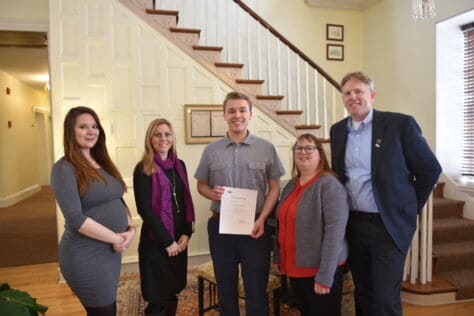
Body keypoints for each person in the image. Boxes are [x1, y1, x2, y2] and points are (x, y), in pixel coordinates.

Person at [330, 71, 442, 316]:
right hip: (354, 225)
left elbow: (430, 169)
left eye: (359, 91)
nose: (353, 97)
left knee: (385, 299)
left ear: (372, 94)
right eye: (347, 93)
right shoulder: (337, 131)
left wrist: (409, 206)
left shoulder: (399, 125)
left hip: (387, 226)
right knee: (364, 294)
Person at [194, 91, 285, 316]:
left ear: (251, 114)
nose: (237, 115)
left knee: (256, 288)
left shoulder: (266, 148)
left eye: (242, 110)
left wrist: (263, 219)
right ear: (224, 115)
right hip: (221, 227)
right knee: (226, 287)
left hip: (255, 226)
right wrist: (212, 194)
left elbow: (274, 187)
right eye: (232, 110)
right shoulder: (211, 151)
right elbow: (201, 185)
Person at [50, 106, 135, 316]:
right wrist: (116, 238)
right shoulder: (64, 168)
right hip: (85, 254)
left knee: (108, 310)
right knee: (103, 311)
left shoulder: (103, 162)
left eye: (94, 126)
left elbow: (119, 199)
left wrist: (131, 229)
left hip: (110, 252)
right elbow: (75, 219)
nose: (91, 131)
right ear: (71, 130)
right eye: (83, 126)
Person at [273, 133, 349, 316]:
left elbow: (334, 235)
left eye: (309, 148)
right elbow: (281, 224)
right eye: (298, 148)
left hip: (319, 270)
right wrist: (278, 256)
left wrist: (325, 276)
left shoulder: (329, 185)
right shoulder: (291, 185)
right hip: (295, 267)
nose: (303, 152)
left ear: (320, 154)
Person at [133, 118, 195, 316]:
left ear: (173, 137)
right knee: (156, 297)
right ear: (150, 139)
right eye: (158, 134)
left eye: (167, 134)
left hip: (179, 240)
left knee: (172, 292)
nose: (163, 138)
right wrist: (168, 242)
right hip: (157, 241)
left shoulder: (180, 165)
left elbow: (186, 201)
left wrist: (186, 233)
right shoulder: (143, 168)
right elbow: (145, 210)